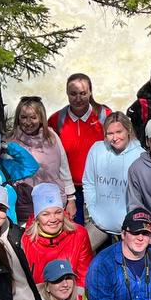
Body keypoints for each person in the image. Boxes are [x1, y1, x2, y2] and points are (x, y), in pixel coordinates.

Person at [48, 72, 112, 223]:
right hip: (70, 189)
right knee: (76, 231)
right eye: (73, 94)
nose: (78, 99)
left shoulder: (104, 115)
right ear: (67, 94)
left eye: (83, 93)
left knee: (104, 230)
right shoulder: (56, 120)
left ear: (90, 92)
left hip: (100, 185)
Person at [82, 112, 142, 250]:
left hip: (128, 228)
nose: (115, 138)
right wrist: (92, 210)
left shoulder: (140, 155)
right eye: (110, 133)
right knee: (78, 252)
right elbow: (89, 183)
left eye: (119, 132)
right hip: (99, 223)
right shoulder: (97, 150)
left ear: (128, 130)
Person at [20, 182, 94, 287]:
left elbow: (84, 276)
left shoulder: (78, 234)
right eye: (45, 214)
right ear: (37, 217)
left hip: (72, 299)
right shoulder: (26, 240)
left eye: (58, 212)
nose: (53, 219)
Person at [10, 96, 75, 213]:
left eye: (33, 117)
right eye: (23, 117)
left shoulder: (51, 136)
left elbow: (64, 168)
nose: (28, 122)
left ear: (41, 118)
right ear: (18, 118)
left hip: (54, 201)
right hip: (25, 206)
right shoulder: (11, 141)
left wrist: (71, 199)